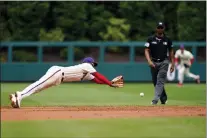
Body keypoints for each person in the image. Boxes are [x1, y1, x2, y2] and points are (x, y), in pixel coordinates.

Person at [9, 57, 122, 108]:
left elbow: (97, 80)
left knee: (38, 88)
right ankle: (20, 95)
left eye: (94, 64)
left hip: (58, 79)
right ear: (89, 63)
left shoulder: (87, 74)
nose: (94, 65)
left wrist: (109, 82)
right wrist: (109, 83)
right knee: (38, 84)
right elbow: (99, 75)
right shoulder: (86, 65)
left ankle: (17, 97)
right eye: (93, 63)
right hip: (57, 72)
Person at [144, 22, 175, 105]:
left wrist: (173, 63)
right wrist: (149, 61)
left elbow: (171, 51)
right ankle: (163, 98)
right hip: (153, 62)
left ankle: (155, 100)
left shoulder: (168, 39)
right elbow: (146, 50)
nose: (160, 29)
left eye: (162, 27)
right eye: (159, 27)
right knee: (155, 81)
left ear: (164, 28)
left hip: (164, 62)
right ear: (156, 28)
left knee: (160, 81)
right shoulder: (150, 39)